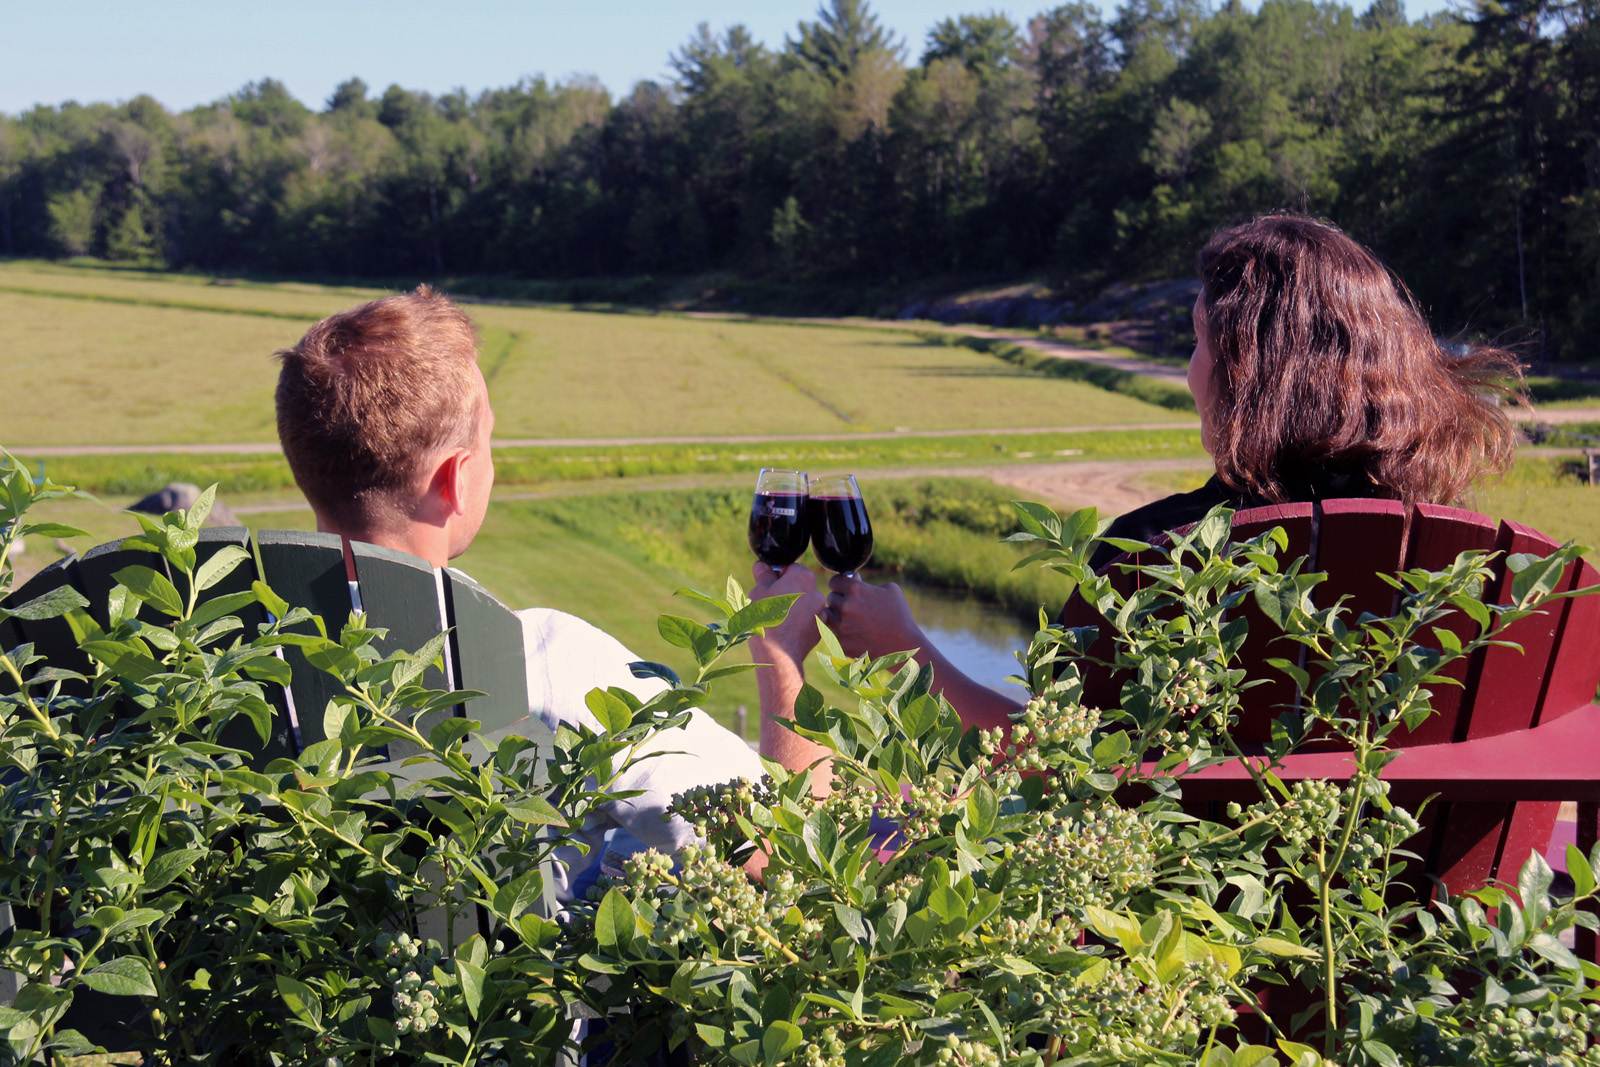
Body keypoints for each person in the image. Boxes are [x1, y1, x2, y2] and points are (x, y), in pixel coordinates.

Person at [750, 214, 1523, 738]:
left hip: (1182, 940)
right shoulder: (1456, 556)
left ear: (1244, 376)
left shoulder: (1160, 553)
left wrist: (908, 645)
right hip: (1397, 931)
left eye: (1195, 345)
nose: (1189, 373)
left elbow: (1054, 764)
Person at [275, 285, 767, 899]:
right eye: (487, 441)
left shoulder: (228, 659)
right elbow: (771, 847)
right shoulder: (545, 658)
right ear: (454, 479)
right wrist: (785, 663)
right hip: (502, 995)